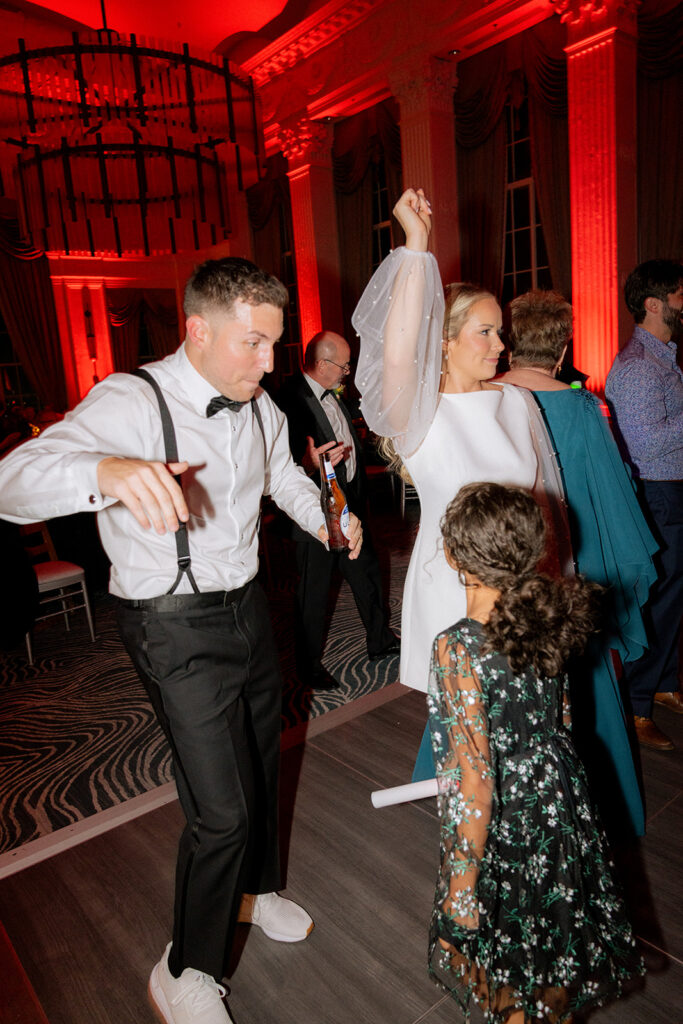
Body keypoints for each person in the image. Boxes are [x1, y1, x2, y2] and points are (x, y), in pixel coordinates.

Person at [0, 257, 362, 1024]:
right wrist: (107, 467)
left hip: (248, 608)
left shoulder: (260, 407)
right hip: (168, 623)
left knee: (263, 761)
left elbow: (281, 480)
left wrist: (328, 519)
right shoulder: (132, 399)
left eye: (275, 343)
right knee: (220, 808)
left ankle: (255, 893)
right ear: (197, 330)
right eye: (252, 343)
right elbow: (12, 481)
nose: (269, 362)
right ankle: (185, 967)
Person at [352, 188, 569, 779]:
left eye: (501, 332)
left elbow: (544, 503)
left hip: (524, 587)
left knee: (529, 736)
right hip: (454, 589)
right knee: (474, 737)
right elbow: (397, 351)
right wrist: (417, 247)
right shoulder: (418, 416)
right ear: (443, 340)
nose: (502, 346)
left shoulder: (516, 400)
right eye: (485, 332)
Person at [428, 481, 643, 1023]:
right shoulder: (544, 616)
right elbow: (563, 720)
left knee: (506, 965)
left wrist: (461, 885)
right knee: (554, 947)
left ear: (453, 555)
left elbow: (476, 783)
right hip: (561, 799)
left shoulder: (457, 648)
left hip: (507, 822)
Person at [499, 290, 658, 837]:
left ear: (509, 341)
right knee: (582, 681)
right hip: (572, 553)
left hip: (502, 556)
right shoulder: (583, 407)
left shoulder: (481, 396)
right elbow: (612, 496)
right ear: (563, 348)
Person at [276, 330, 399, 689]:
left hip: (351, 508)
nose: (348, 371)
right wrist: (310, 464)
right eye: (344, 365)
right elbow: (281, 467)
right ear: (322, 364)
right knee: (313, 594)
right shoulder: (286, 400)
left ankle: (380, 640)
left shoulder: (336, 396)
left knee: (367, 576)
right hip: (312, 513)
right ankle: (308, 666)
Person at [605, 259, 683, 751]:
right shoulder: (637, 367)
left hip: (671, 489)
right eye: (678, 295)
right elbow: (646, 446)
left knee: (676, 596)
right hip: (659, 492)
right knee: (656, 600)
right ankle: (636, 703)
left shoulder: (662, 359)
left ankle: (665, 682)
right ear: (655, 304)